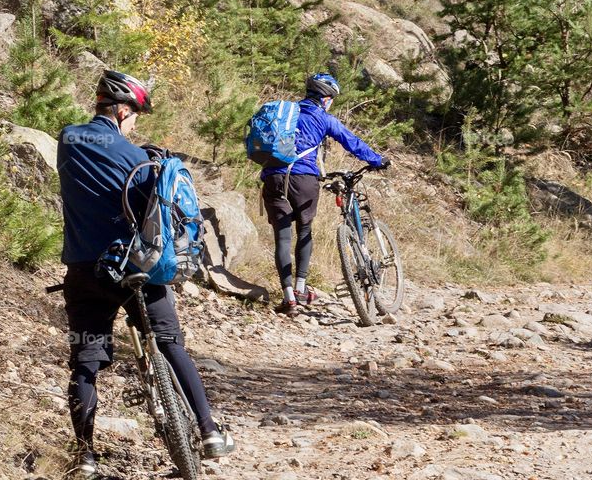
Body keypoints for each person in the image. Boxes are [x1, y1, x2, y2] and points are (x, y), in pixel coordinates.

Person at [57, 70, 235, 477]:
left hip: (84, 271)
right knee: (171, 345)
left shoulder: (67, 139)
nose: (136, 122)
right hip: (136, 272)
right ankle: (208, 431)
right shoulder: (141, 160)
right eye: (135, 114)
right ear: (122, 111)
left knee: (85, 363)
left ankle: (84, 455)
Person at [261, 73, 389, 316]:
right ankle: (300, 288)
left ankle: (288, 299)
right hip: (303, 179)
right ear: (327, 98)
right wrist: (376, 160)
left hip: (273, 176)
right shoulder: (323, 118)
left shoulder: (284, 112)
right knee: (305, 232)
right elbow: (351, 142)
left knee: (282, 238)